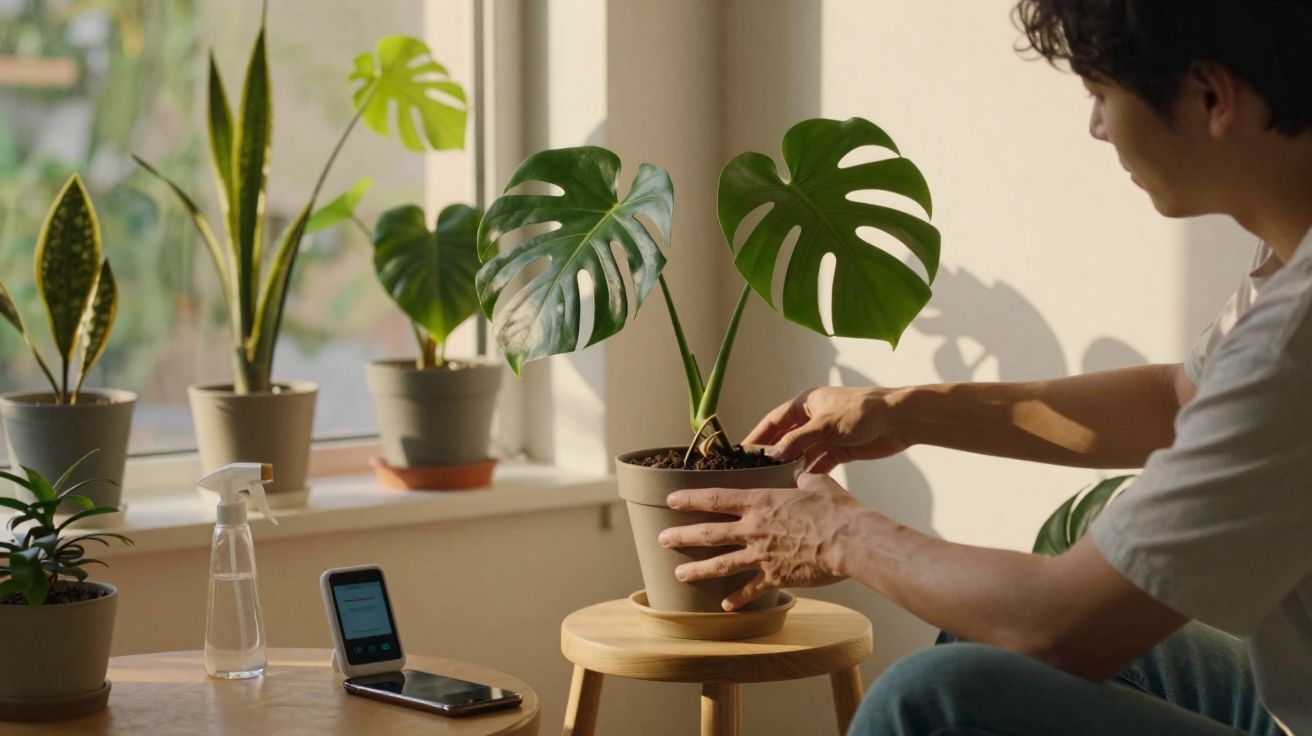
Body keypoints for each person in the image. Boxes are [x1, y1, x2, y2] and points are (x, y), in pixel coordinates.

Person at [656, 1, 1312, 734]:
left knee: (931, 700)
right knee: (984, 635)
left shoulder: (1296, 336)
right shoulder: (1286, 271)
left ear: (1211, 98)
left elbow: (1068, 625)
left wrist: (842, 534)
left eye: (1101, 96)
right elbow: (1179, 400)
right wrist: (906, 410)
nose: (1097, 127)